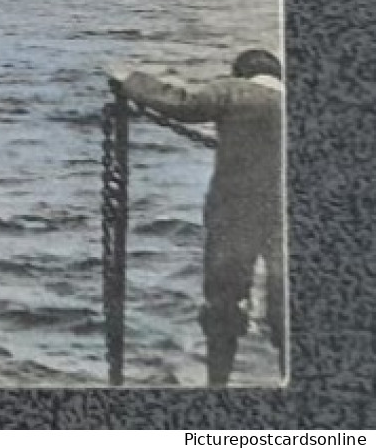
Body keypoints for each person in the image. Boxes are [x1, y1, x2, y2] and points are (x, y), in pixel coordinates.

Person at [109, 48, 286, 386]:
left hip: (237, 213)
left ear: (240, 73)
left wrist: (130, 80)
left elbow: (183, 103)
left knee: (223, 298)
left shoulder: (233, 92)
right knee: (287, 294)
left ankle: (217, 384)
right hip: (286, 215)